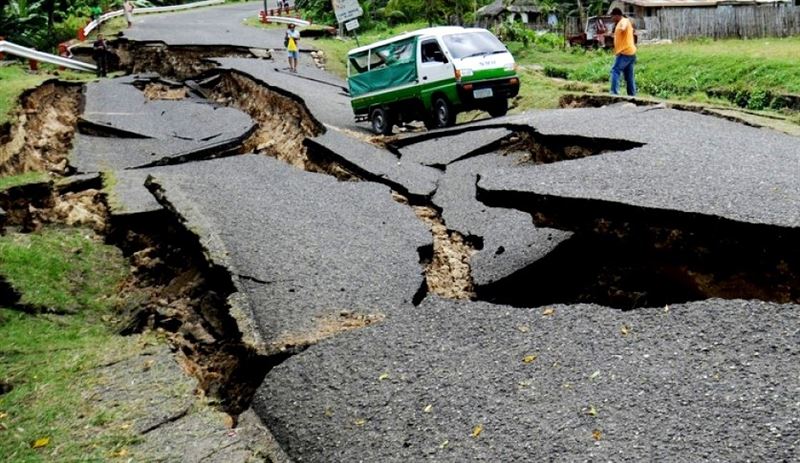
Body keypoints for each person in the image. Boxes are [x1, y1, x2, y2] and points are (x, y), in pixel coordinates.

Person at [610, 7, 636, 96]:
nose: (612, 18)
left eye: (612, 16)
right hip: (630, 52)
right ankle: (632, 95)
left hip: (624, 53)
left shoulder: (624, 21)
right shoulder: (619, 23)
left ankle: (614, 92)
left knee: (615, 70)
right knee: (629, 76)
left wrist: (622, 28)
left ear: (617, 15)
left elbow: (624, 26)